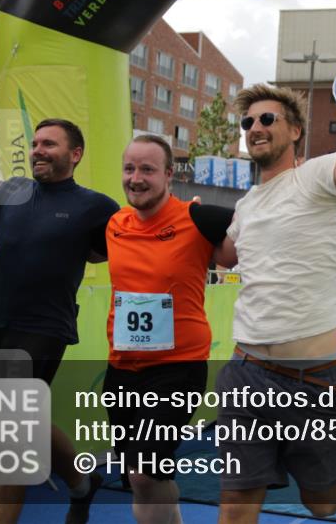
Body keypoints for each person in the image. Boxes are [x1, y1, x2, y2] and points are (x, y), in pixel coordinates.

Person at [213, 1, 336, 524]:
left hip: (314, 379)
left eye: (267, 119)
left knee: (321, 502)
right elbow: (218, 255)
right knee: (237, 498)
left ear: (295, 131)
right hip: (246, 372)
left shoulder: (323, 176)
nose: (254, 127)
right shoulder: (244, 207)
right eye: (248, 122)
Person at [0, 118, 120, 524]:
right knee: (23, 419)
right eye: (35, 143)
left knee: (11, 425)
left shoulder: (96, 205)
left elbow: (117, 247)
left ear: (75, 154)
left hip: (48, 324)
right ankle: (82, 481)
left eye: (49, 144)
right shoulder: (12, 190)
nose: (38, 150)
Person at [103, 134, 234, 524]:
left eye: (147, 169)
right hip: (122, 368)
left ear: (168, 175)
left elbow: (258, 233)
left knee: (145, 472)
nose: (136, 178)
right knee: (142, 477)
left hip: (177, 367)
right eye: (129, 169)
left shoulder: (197, 218)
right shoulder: (114, 224)